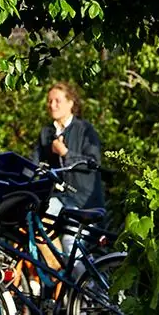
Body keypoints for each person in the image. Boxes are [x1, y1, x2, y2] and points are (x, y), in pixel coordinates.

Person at [33, 81, 105, 217]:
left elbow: (94, 163)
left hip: (82, 200)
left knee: (70, 238)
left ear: (70, 103)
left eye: (57, 101)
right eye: (49, 101)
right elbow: (33, 164)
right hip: (55, 197)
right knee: (36, 224)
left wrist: (65, 153)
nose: (52, 105)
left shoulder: (85, 130)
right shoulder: (45, 133)